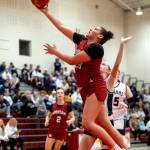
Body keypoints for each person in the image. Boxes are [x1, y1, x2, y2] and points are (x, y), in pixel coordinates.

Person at [33, 4, 128, 150]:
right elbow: (61, 26)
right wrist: (46, 12)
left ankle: (117, 148)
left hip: (95, 86)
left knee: (87, 123)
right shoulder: (82, 40)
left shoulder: (97, 48)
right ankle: (125, 147)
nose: (91, 28)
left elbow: (72, 60)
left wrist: (55, 52)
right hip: (86, 88)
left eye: (95, 29)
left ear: (100, 36)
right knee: (106, 125)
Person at [78, 36, 132, 150]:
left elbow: (116, 65)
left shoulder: (108, 82)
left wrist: (121, 45)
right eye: (101, 63)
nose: (101, 65)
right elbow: (80, 63)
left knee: (117, 148)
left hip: (105, 122)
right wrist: (79, 44)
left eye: (103, 65)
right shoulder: (91, 79)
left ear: (108, 70)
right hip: (92, 122)